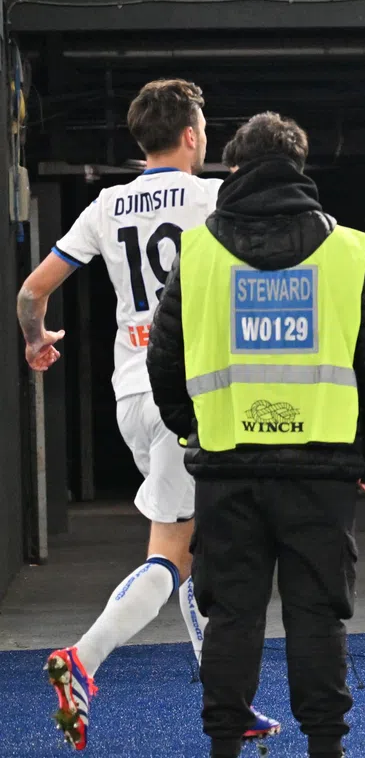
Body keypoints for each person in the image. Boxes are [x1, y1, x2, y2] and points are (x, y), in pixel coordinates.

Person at [17, 80, 280, 752]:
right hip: (190, 396)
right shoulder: (217, 199)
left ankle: (230, 699)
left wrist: (36, 339)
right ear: (193, 134)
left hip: (132, 393)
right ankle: (84, 658)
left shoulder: (106, 205)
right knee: (169, 551)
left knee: (191, 551)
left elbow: (31, 291)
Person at [146, 112, 365, 758]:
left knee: (230, 616)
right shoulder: (347, 253)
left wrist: (191, 426)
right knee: (317, 615)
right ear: (299, 168)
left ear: (234, 169)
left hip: (228, 470)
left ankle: (225, 748)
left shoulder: (198, 253)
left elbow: (162, 358)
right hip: (321, 474)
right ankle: (325, 747)